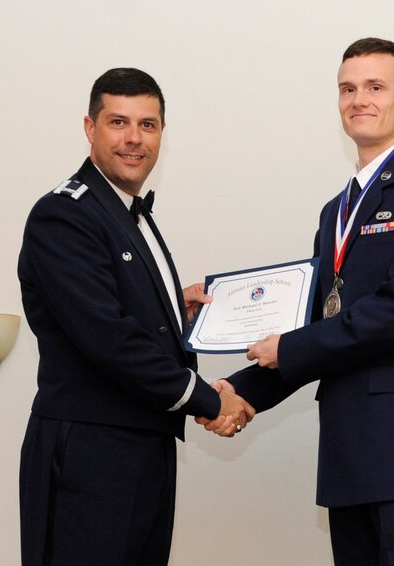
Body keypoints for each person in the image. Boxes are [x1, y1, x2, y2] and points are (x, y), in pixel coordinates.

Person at [201, 38, 394, 565]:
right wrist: (234, 392)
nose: (359, 99)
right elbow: (314, 322)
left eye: (375, 87)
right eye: (348, 89)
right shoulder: (336, 211)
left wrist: (291, 348)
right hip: (348, 450)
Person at [18, 67, 251, 566]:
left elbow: (120, 311)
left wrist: (170, 306)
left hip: (143, 445)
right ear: (89, 128)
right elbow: (109, 337)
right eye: (118, 122)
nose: (133, 139)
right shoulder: (64, 215)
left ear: (162, 133)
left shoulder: (126, 212)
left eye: (148, 125)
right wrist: (209, 400)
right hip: (90, 452)